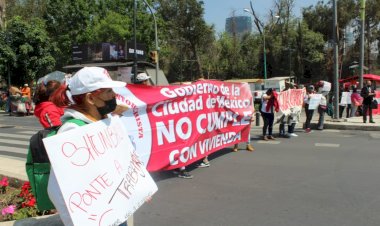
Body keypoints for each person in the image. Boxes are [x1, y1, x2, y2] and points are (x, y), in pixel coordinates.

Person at [48, 67, 128, 226]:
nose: (114, 95)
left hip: (117, 212)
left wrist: (136, 188)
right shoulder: (72, 132)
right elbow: (57, 190)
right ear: (90, 98)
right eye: (108, 91)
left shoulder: (107, 120)